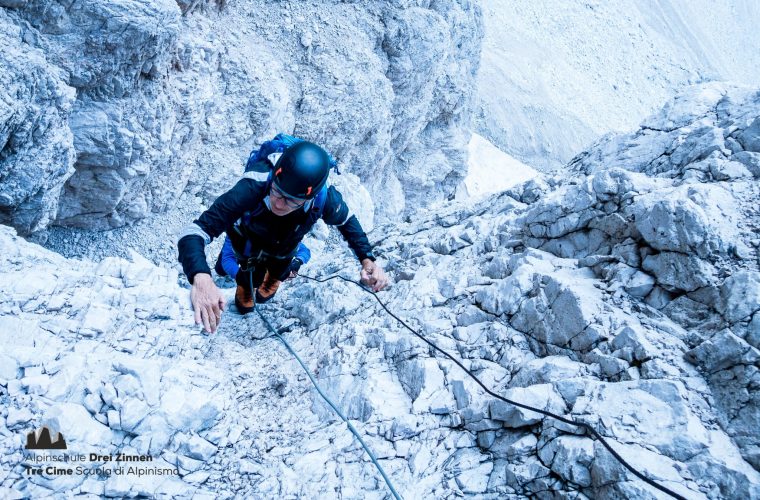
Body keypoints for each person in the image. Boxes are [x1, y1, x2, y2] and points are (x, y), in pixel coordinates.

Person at [177, 140, 388, 333]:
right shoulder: (253, 186)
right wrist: (201, 277)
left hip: (285, 248)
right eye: (276, 192)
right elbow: (195, 231)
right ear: (275, 176)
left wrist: (367, 259)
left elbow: (347, 222)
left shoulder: (323, 198)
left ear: (309, 197)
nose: (278, 203)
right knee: (249, 280)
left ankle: (270, 283)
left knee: (279, 270)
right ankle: (247, 292)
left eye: (290, 200)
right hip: (248, 246)